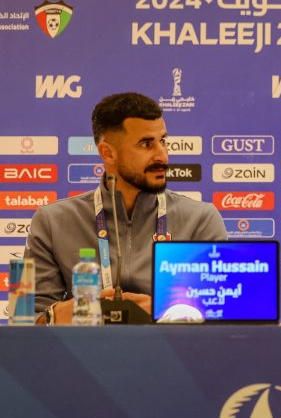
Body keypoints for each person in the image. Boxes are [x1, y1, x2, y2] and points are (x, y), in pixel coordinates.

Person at [26, 92, 227, 325]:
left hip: (170, 348)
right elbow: (27, 320)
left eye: (163, 141)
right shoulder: (52, 222)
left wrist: (163, 310)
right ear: (108, 153)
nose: (162, 155)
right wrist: (63, 314)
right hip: (86, 347)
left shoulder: (200, 220)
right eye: (146, 144)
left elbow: (222, 316)